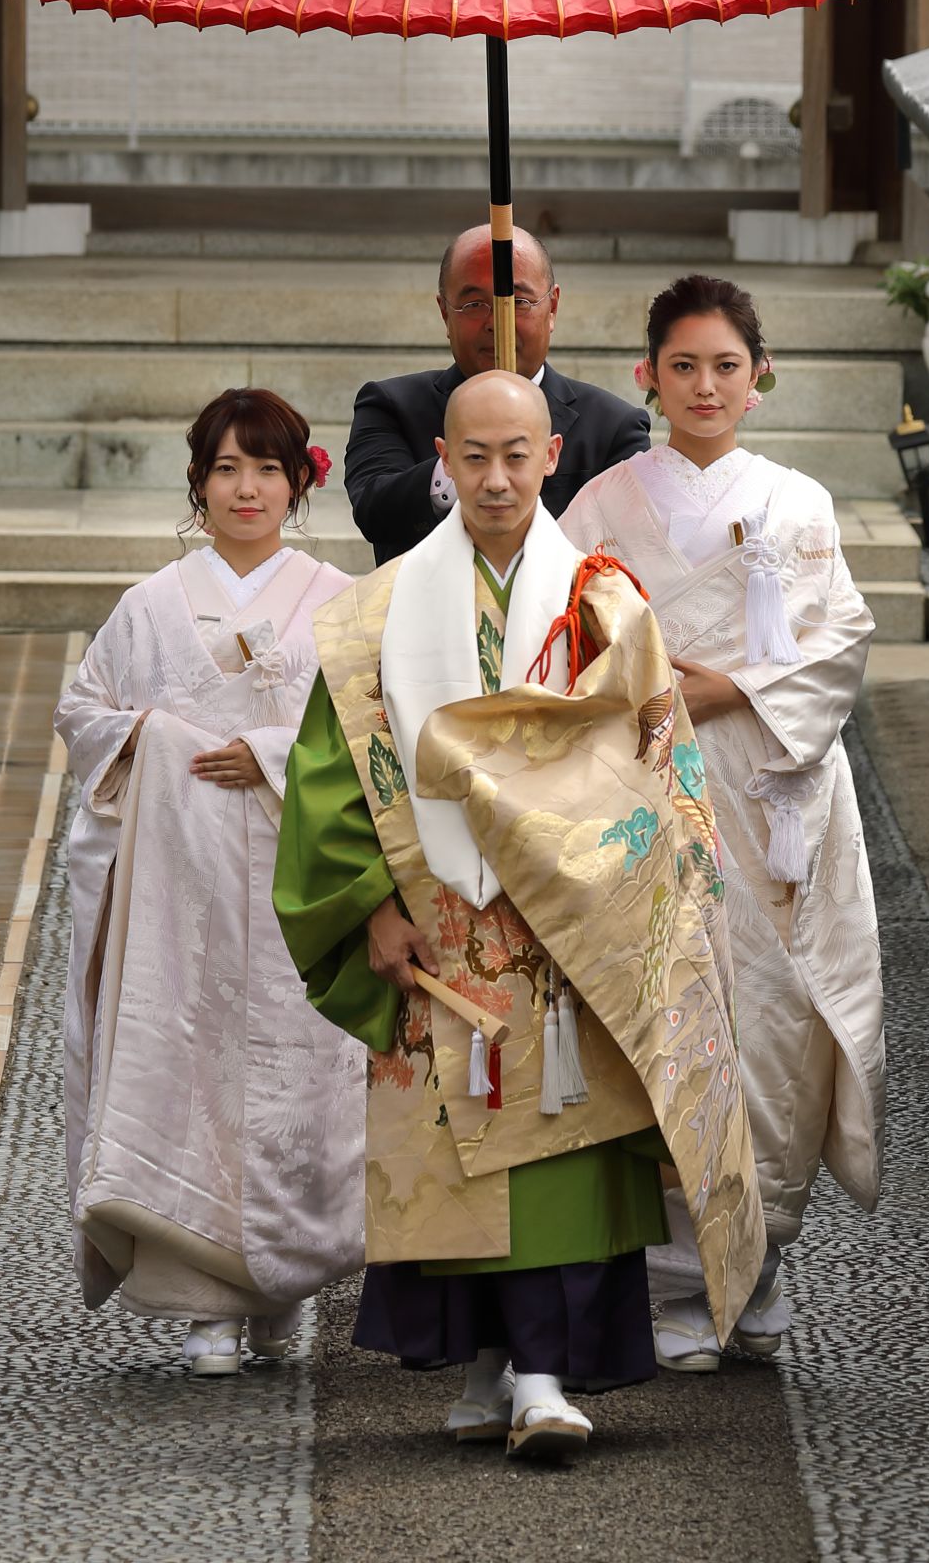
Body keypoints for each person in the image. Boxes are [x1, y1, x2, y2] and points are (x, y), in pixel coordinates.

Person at [276, 369, 762, 1461]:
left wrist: (635, 888)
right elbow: (332, 768)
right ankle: (487, 1362)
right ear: (439, 461)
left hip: (570, 928)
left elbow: (657, 756)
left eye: (517, 454)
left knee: (560, 1152)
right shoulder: (373, 616)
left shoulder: (605, 599)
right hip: (439, 923)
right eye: (473, 455)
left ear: (553, 459)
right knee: (454, 1158)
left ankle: (542, 1372)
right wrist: (367, 906)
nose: (495, 477)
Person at [558, 275, 883, 1373]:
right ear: (648, 374)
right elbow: (557, 650)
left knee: (773, 1019)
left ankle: (759, 1257)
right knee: (661, 1010)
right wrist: (660, 695)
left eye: (726, 365)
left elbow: (839, 642)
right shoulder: (599, 506)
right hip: (649, 784)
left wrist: (731, 689)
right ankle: (682, 1282)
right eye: (683, 365)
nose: (705, 385)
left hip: (772, 788)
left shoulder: (801, 501)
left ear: (761, 375)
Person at [55, 388, 371, 1376]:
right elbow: (85, 713)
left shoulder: (337, 600)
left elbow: (377, 728)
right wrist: (153, 738)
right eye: (227, 468)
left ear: (299, 484)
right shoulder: (150, 605)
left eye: (268, 468)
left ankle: (281, 1289)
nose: (247, 488)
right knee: (186, 1068)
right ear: (198, 483)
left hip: (297, 884)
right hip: (175, 895)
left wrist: (276, 755)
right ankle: (208, 1303)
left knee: (295, 1077)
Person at [344, 225, 652, 565]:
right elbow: (375, 512)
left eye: (518, 302)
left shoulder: (612, 427)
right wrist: (462, 462)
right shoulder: (391, 405)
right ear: (445, 312)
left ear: (552, 307)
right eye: (474, 304)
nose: (496, 322)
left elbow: (628, 553)